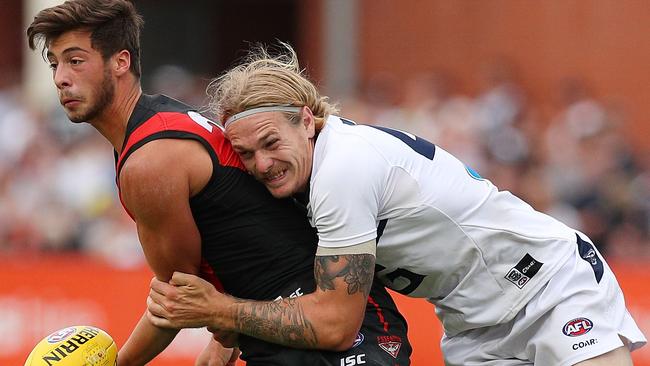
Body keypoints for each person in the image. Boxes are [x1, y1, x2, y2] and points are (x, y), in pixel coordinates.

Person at [146, 43, 647, 366]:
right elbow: (241, 315)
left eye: (271, 142)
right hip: (475, 329)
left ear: (306, 119)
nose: (261, 164)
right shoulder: (305, 178)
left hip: (551, 288)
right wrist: (224, 328)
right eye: (248, 154)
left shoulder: (342, 170)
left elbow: (336, 324)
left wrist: (221, 310)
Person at [26, 2, 413, 365]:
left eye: (76, 61)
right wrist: (224, 338)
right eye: (54, 64)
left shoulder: (150, 160)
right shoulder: (160, 124)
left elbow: (178, 297)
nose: (61, 79)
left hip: (340, 336)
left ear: (120, 62)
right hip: (290, 335)